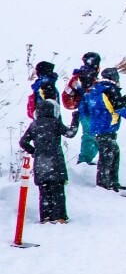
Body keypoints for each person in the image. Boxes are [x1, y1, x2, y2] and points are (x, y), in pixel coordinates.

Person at [19, 81, 76, 223]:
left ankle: (46, 217)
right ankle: (60, 216)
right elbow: (70, 133)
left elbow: (23, 142)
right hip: (55, 161)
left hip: (40, 163)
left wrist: (34, 151)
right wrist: (76, 120)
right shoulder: (55, 123)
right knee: (58, 190)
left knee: (44, 192)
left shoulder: (34, 125)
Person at [82, 67, 126, 191]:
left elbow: (102, 104)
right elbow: (119, 108)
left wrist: (120, 100)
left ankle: (111, 182)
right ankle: (105, 184)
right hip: (107, 127)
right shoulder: (111, 89)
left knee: (112, 153)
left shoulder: (95, 89)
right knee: (109, 155)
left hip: (97, 127)